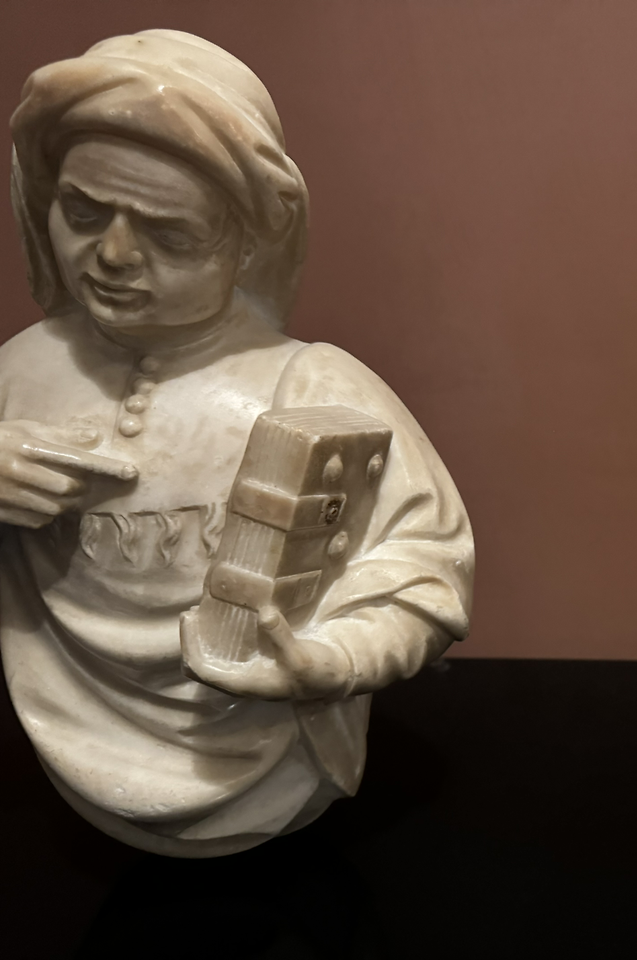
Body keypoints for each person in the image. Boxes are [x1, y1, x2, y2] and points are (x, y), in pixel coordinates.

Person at [0, 30, 473, 856]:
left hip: (271, 754)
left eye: (169, 234)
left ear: (248, 244)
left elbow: (426, 569)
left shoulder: (313, 387)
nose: (113, 255)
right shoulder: (17, 373)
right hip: (58, 730)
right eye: (83, 212)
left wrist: (331, 660)